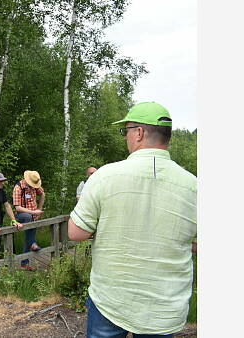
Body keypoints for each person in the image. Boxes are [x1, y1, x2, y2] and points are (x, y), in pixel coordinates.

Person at [68, 102, 197, 337]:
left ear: (139, 133)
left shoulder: (104, 176)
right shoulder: (194, 186)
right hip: (164, 307)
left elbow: (76, 233)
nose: (125, 137)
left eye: (125, 131)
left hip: (111, 298)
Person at [12, 170, 45, 271]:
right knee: (27, 217)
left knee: (28, 237)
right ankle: (33, 244)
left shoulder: (35, 186)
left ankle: (24, 264)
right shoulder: (18, 188)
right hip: (21, 215)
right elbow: (17, 207)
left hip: (33, 216)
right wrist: (34, 213)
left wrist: (39, 209)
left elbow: (43, 194)